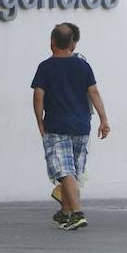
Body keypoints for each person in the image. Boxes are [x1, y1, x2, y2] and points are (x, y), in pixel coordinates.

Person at [31, 22, 110, 231]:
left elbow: (39, 95)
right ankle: (65, 213)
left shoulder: (45, 67)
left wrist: (39, 122)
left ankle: (77, 213)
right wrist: (104, 119)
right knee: (72, 173)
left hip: (56, 126)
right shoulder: (83, 66)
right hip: (82, 126)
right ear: (72, 44)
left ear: (52, 42)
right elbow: (94, 93)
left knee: (65, 172)